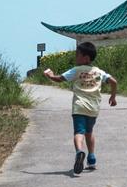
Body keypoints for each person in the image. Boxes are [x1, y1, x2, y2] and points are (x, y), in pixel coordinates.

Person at [42, 41, 117, 174]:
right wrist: (113, 97)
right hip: (93, 109)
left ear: (86, 58)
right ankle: (92, 159)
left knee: (79, 132)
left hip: (79, 107)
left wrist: (50, 75)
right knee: (89, 132)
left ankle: (79, 152)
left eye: (78, 55)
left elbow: (60, 79)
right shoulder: (98, 72)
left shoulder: (76, 70)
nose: (76, 57)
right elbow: (113, 81)